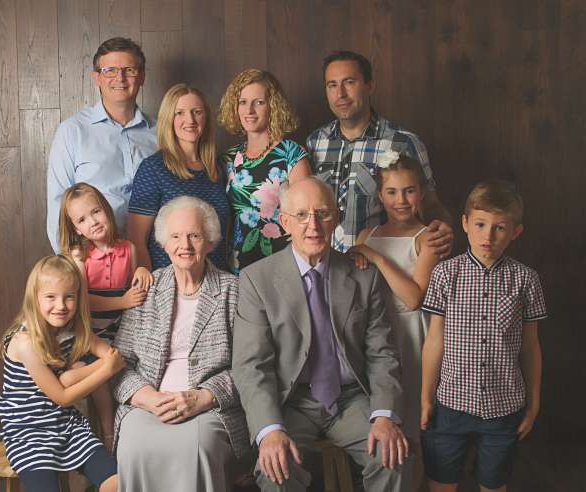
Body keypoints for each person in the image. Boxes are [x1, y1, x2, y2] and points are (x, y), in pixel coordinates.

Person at [232, 177, 409, 491]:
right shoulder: (256, 280)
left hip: (352, 398)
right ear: (284, 222)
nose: (312, 224)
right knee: (274, 471)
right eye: (301, 215)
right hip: (292, 401)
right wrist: (269, 430)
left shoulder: (363, 276)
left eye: (322, 213)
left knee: (392, 456)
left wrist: (384, 415)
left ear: (335, 219)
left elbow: (382, 353)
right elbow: (251, 366)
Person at [113, 196, 250, 491]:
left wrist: (203, 397)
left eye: (194, 236)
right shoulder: (147, 289)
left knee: (198, 447)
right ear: (163, 242)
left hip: (208, 409)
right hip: (149, 405)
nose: (184, 245)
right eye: (175, 236)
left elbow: (248, 367)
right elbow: (119, 362)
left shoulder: (233, 291)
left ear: (210, 241)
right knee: (134, 446)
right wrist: (146, 396)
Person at [420, 180, 546, 492]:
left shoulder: (526, 280)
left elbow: (531, 347)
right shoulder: (445, 274)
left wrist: (534, 401)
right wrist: (426, 396)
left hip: (504, 407)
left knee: (493, 486)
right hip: (450, 404)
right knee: (441, 484)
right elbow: (434, 340)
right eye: (480, 224)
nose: (487, 236)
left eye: (499, 228)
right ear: (465, 224)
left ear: (515, 231)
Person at [347, 153, 440, 489]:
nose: (401, 201)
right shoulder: (368, 233)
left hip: (411, 338)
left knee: (413, 428)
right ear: (380, 196)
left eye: (410, 191)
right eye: (393, 192)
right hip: (375, 338)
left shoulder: (426, 237)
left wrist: (374, 256)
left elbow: (414, 296)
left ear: (421, 193)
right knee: (387, 425)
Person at [307, 50, 453, 256]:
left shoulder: (402, 142)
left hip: (380, 265)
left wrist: (442, 227)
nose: (340, 94)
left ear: (370, 86)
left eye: (349, 82)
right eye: (332, 85)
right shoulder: (315, 142)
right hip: (324, 266)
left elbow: (429, 205)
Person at [0, 255, 123, 492]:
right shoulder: (25, 342)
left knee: (117, 483)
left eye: (69, 297)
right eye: (51, 297)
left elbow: (111, 353)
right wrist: (103, 369)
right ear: (35, 299)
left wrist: (77, 373)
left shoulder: (70, 328)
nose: (61, 306)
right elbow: (62, 396)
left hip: (65, 424)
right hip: (29, 432)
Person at [58, 182, 152, 448]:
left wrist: (142, 271)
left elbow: (138, 280)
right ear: (77, 229)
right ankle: (107, 434)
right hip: (87, 332)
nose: (93, 222)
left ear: (106, 210)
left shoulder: (128, 250)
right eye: (82, 220)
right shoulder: (79, 256)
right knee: (96, 374)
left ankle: (129, 434)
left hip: (119, 330)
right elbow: (80, 301)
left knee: (126, 369)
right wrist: (122, 300)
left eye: (96, 212)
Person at [47, 37, 158, 252]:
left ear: (142, 77)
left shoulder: (161, 133)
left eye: (129, 70)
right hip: (95, 264)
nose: (120, 78)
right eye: (110, 70)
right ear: (97, 78)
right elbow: (58, 205)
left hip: (155, 260)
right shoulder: (72, 131)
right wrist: (72, 267)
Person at [127, 83, 229, 271]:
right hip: (170, 283)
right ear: (168, 119)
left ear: (205, 117)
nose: (190, 119)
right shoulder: (153, 169)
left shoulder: (217, 168)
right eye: (179, 113)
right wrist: (152, 287)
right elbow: (137, 240)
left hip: (217, 281)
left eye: (196, 111)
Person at [218, 69, 311, 274]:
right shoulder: (228, 159)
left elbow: (306, 217)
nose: (249, 110)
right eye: (243, 102)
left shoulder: (291, 154)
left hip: (282, 265)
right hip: (238, 266)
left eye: (258, 102)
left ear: (273, 107)